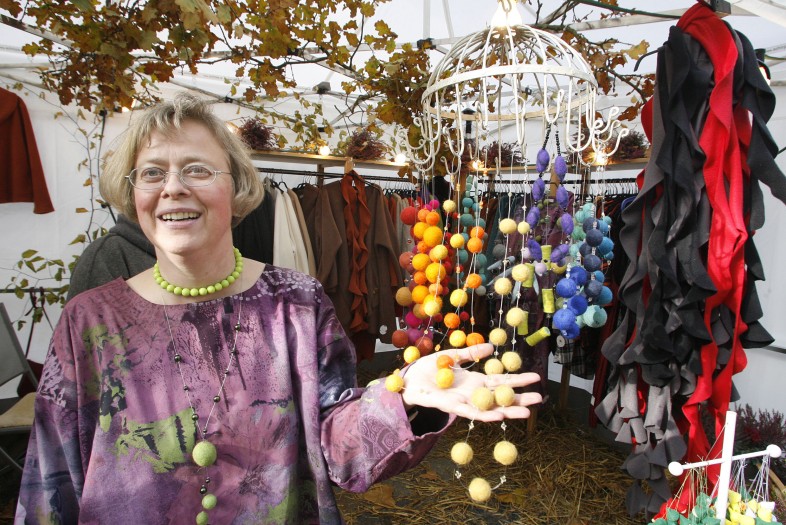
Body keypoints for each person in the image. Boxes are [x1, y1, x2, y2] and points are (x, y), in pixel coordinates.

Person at [15, 93, 542, 524]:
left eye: (197, 169)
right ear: (133, 194)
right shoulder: (90, 322)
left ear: (236, 186)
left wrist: (402, 396)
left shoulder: (295, 303)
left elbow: (335, 442)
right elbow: (51, 481)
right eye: (152, 173)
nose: (173, 187)